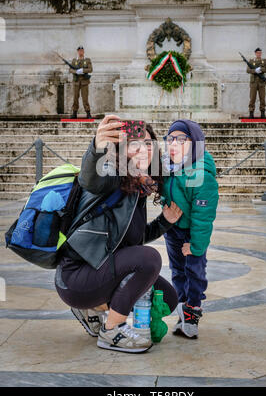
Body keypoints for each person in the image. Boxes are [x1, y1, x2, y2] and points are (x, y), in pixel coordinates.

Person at [55, 114, 182, 353]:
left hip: (99, 270)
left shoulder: (136, 189)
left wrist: (165, 222)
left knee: (167, 297)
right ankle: (111, 330)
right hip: (76, 277)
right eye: (134, 144)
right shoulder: (109, 180)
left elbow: (133, 241)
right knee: (150, 259)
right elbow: (89, 179)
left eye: (147, 143)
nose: (143, 149)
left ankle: (93, 309)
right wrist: (97, 147)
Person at [161, 120, 219, 339]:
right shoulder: (169, 167)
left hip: (192, 233)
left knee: (195, 271)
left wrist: (195, 245)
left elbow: (203, 217)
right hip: (173, 230)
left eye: (182, 139)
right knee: (177, 272)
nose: (174, 143)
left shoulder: (202, 174)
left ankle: (193, 309)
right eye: (170, 139)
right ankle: (182, 310)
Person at [69, 46, 93, 119]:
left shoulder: (87, 60)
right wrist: (76, 71)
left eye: (82, 51)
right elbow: (70, 69)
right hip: (76, 82)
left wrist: (82, 70)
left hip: (84, 82)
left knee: (85, 98)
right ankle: (74, 113)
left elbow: (90, 69)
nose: (80, 52)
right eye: (79, 51)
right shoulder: (74, 60)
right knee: (75, 98)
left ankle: (88, 113)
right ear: (77, 52)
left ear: (83, 51)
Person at [247, 48, 266, 119]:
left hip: (261, 82)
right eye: (258, 53)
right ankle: (251, 113)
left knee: (262, 98)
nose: (259, 54)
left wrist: (260, 70)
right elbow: (248, 70)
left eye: (260, 53)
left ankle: (262, 113)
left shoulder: (264, 61)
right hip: (253, 83)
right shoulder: (251, 61)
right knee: (252, 98)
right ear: (255, 53)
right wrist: (255, 71)